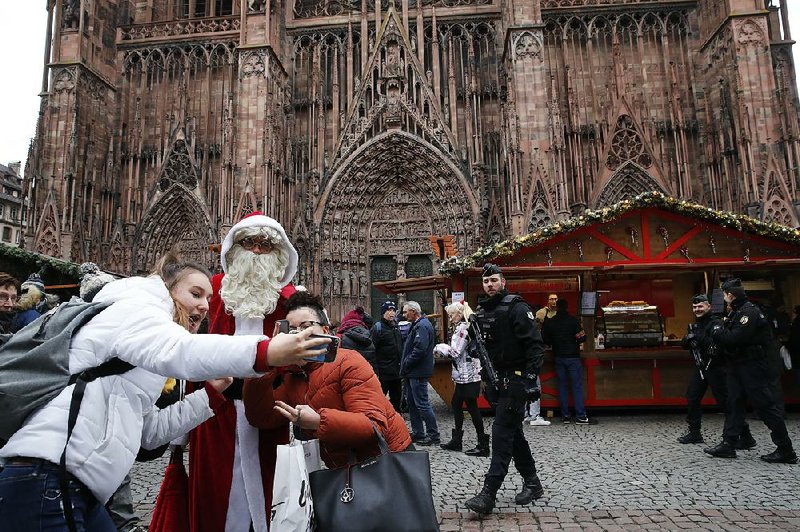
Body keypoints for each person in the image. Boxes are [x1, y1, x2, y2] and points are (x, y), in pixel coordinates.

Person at [0, 252, 329, 532]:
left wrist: (211, 394)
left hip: (76, 486)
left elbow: (150, 434)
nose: (203, 307)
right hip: (48, 477)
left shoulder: (143, 348)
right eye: (195, 293)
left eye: (208, 300)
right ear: (167, 287)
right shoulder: (134, 307)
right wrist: (266, 352)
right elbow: (182, 351)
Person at [188, 211, 299, 532]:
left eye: (266, 244)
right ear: (235, 248)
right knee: (214, 495)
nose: (257, 251)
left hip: (267, 414)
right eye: (249, 242)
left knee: (266, 496)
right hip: (214, 411)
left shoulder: (290, 300)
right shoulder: (211, 292)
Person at [242, 291, 411, 469]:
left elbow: (374, 427)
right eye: (291, 330)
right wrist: (266, 364)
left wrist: (318, 421)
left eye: (306, 326)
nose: (298, 335)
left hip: (390, 462)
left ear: (325, 330)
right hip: (346, 472)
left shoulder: (348, 361)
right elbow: (261, 417)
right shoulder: (293, 375)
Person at [465, 264, 545, 515]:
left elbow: (535, 346)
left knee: (501, 434)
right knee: (513, 433)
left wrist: (530, 379)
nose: (489, 285)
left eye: (493, 280)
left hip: (516, 380)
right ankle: (533, 482)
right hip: (496, 380)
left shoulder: (517, 307)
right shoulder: (481, 311)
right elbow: (482, 347)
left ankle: (488, 493)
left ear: (503, 281)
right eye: (486, 281)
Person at [706, 279, 796, 464]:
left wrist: (716, 330)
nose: (723, 299)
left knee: (766, 407)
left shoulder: (748, 312)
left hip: (752, 366)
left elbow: (734, 338)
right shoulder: (737, 312)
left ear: (730, 295)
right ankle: (729, 443)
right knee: (734, 403)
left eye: (724, 295)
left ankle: (785, 449)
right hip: (738, 365)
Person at [676, 294, 754, 448]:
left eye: (700, 306)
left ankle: (745, 436)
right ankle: (694, 432)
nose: (697, 309)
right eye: (694, 307)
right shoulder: (695, 325)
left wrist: (698, 339)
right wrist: (687, 340)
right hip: (701, 367)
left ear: (708, 307)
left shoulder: (716, 323)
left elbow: (717, 346)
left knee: (726, 403)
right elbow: (686, 343)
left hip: (716, 367)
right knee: (692, 397)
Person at [434, 301, 488, 456]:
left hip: (468, 375)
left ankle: (482, 444)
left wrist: (439, 347)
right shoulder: (464, 327)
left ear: (459, 313)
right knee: (457, 404)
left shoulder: (462, 329)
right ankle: (458, 441)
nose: (450, 318)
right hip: (466, 374)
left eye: (451, 315)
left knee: (470, 407)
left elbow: (455, 352)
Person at [542, 299, 589, 424]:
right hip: (573, 357)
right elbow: (583, 337)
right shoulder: (573, 321)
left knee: (562, 386)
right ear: (567, 307)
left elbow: (545, 339)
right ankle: (580, 416)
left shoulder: (552, 322)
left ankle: (565, 415)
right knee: (576, 386)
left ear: (557, 307)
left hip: (558, 357)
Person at [400, 300, 440, 446]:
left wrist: (407, 362)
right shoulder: (419, 324)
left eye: (405, 312)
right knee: (412, 403)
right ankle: (418, 432)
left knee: (422, 403)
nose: (404, 315)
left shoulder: (422, 326)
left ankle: (433, 435)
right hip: (413, 371)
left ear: (413, 311)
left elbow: (419, 349)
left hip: (417, 371)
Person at [371, 300, 404, 411]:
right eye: (389, 310)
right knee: (378, 400)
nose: (392, 313)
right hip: (383, 373)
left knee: (396, 401)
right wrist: (375, 371)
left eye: (393, 310)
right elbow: (372, 350)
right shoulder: (378, 328)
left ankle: (397, 424)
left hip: (396, 373)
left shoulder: (396, 327)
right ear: (383, 312)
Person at [338, 306, 379, 375]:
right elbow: (373, 364)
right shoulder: (369, 338)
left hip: (348, 378)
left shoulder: (341, 339)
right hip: (367, 378)